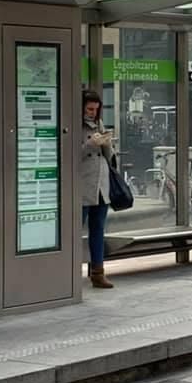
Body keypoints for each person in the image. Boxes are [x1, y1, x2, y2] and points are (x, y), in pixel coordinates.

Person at [82, 89, 115, 289]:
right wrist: (89, 144)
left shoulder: (99, 124)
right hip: (83, 186)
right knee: (74, 229)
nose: (92, 112)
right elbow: (69, 153)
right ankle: (67, 270)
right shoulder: (74, 126)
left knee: (98, 230)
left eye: (95, 109)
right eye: (89, 108)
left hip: (101, 187)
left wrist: (107, 143)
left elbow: (109, 157)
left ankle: (98, 272)